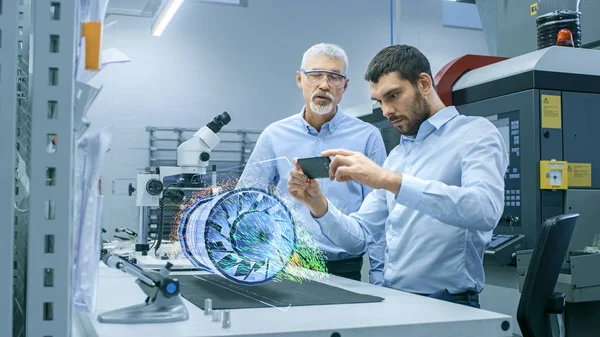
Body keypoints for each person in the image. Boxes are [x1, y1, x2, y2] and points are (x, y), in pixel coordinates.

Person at [287, 44, 508, 308]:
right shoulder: (399, 157)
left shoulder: (475, 134)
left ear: (424, 83)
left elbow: (484, 210)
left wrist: (389, 180)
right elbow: (357, 238)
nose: (386, 111)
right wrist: (318, 204)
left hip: (448, 304)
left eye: (393, 95)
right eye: (380, 101)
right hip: (395, 300)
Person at [237, 43, 387, 283]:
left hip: (344, 267)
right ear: (300, 79)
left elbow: (381, 215)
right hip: (288, 265)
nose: (324, 85)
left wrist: (380, 278)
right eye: (315, 75)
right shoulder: (274, 135)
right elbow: (245, 200)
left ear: (345, 85)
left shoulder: (367, 137)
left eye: (334, 77)